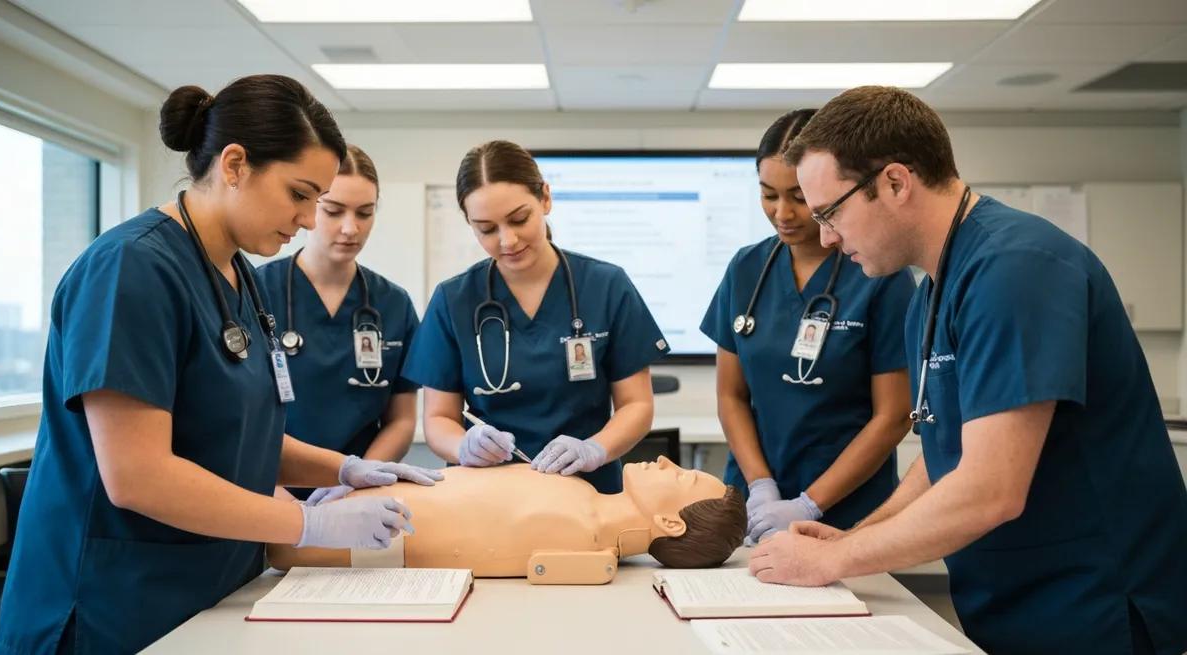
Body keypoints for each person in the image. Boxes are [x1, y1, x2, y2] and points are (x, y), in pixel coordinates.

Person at [0, 75, 438, 655]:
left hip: (209, 590)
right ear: (234, 165)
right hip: (110, 604)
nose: (310, 220)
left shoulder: (238, 276)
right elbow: (138, 476)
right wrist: (311, 525)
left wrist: (344, 468)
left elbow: (233, 436)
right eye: (300, 194)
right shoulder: (131, 269)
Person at [749, 86, 1187, 655]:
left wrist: (832, 559)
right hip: (1013, 604)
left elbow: (990, 490)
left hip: (1094, 606)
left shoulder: (1016, 269)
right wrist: (857, 535)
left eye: (831, 212)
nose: (826, 236)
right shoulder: (932, 289)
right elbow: (942, 454)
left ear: (896, 182)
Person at [402, 140, 670, 494]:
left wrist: (594, 449)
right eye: (486, 228)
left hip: (588, 493)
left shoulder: (606, 286)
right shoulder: (454, 300)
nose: (507, 240)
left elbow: (636, 404)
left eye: (519, 219)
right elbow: (438, 419)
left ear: (545, 198)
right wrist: (464, 445)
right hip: (488, 497)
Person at [700, 109, 914, 543]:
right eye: (768, 195)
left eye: (798, 196)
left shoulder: (879, 272)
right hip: (756, 507)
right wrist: (760, 487)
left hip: (848, 510)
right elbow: (731, 395)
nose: (783, 213)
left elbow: (892, 416)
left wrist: (809, 503)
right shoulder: (746, 268)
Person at [258, 145, 432, 502]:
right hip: (268, 489)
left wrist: (358, 479)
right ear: (308, 206)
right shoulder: (255, 292)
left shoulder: (393, 304)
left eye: (365, 213)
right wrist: (272, 490)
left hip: (358, 495)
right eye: (334, 211)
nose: (350, 228)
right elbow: (236, 415)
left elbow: (401, 420)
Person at [268, 456, 746, 577]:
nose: (666, 462)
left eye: (680, 476)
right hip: (341, 509)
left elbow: (286, 548)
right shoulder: (578, 490)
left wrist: (314, 526)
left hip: (332, 537)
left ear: (670, 525)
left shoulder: (580, 537)